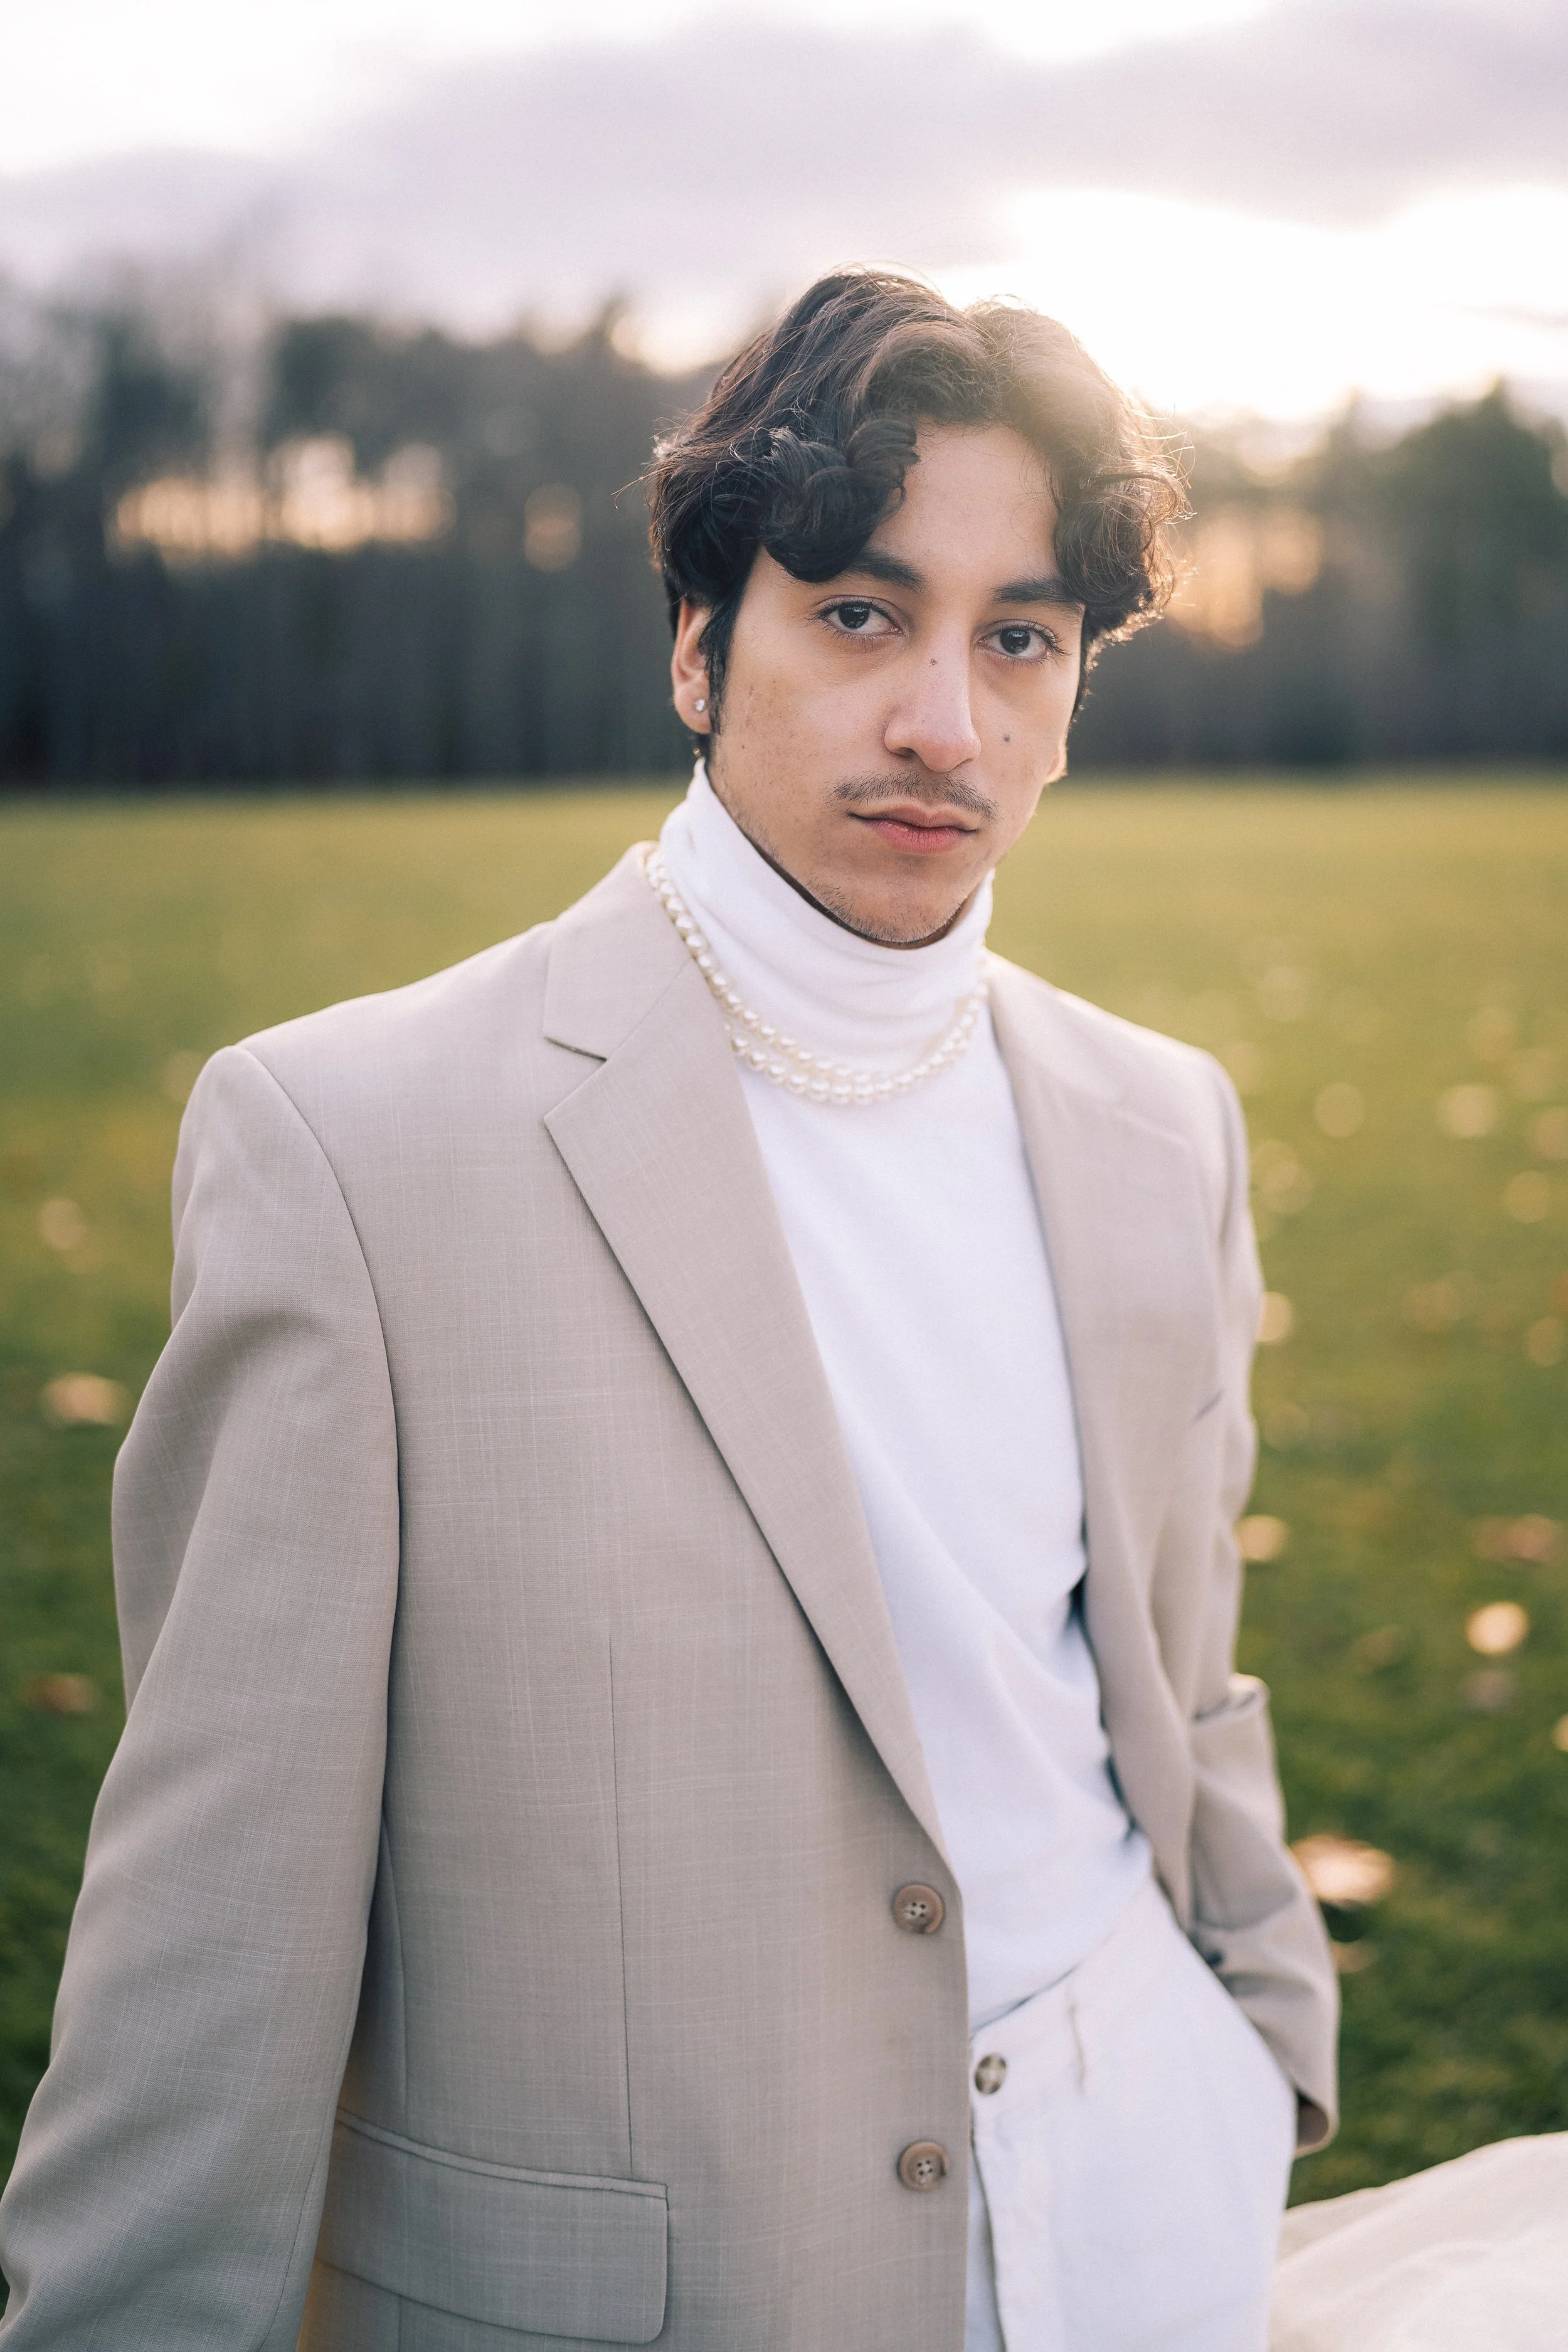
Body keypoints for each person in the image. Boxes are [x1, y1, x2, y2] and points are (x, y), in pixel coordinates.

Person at [0, 269, 1337, 2351]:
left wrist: (1256, 2027)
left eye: (1020, 640)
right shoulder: (351, 1148)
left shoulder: (1163, 1126)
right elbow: (211, 1932)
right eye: (860, 613)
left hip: (1144, 2218)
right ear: (702, 645)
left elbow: (1179, 1675)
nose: (942, 724)